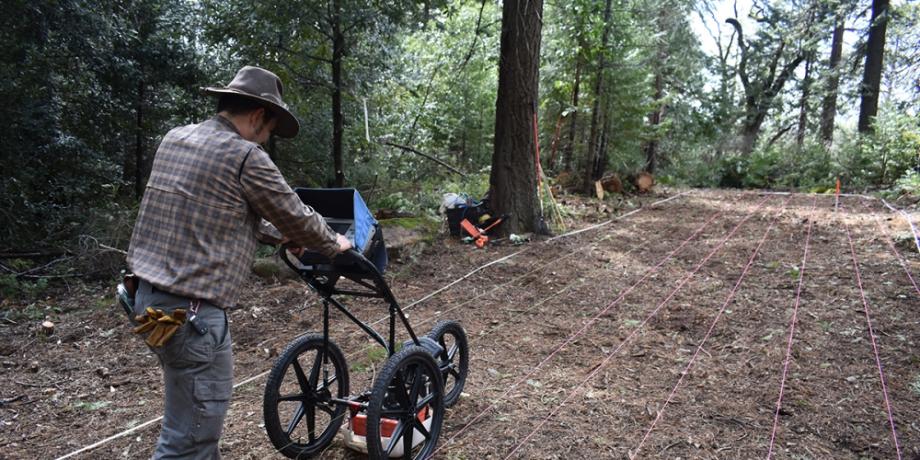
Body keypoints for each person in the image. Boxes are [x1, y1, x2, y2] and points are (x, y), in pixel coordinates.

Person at [126, 65, 352, 459]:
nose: (265, 141)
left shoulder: (176, 139)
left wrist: (276, 233)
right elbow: (294, 214)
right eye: (268, 131)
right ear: (258, 115)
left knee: (190, 416)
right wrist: (335, 242)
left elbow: (211, 210)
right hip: (191, 316)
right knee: (189, 441)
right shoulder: (245, 155)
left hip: (148, 302)